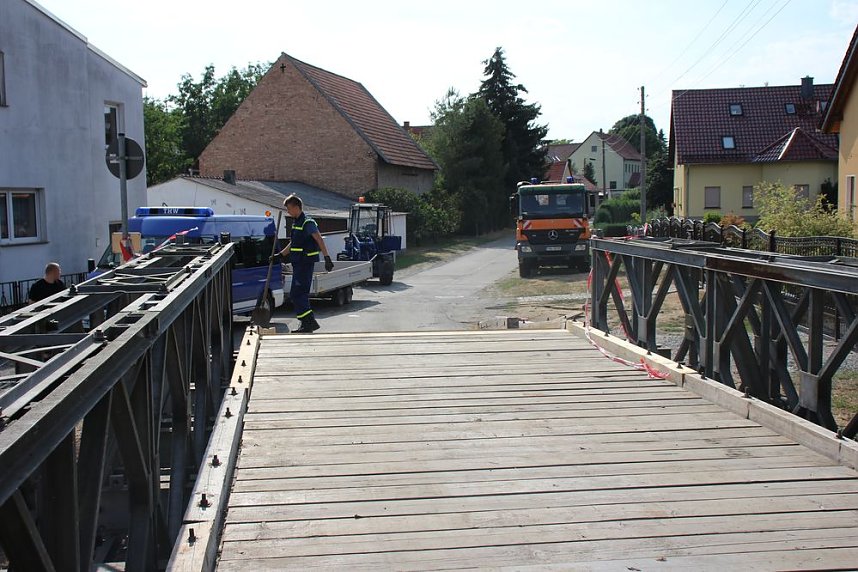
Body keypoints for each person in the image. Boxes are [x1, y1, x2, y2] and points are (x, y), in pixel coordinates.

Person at [274, 195, 334, 333]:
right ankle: (308, 322)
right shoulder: (297, 223)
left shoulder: (308, 223)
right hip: (298, 263)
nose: (288, 212)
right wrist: (281, 255)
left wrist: (327, 257)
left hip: (305, 263)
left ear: (296, 207)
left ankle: (309, 322)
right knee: (297, 294)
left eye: (289, 209)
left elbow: (319, 239)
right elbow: (293, 244)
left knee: (298, 294)